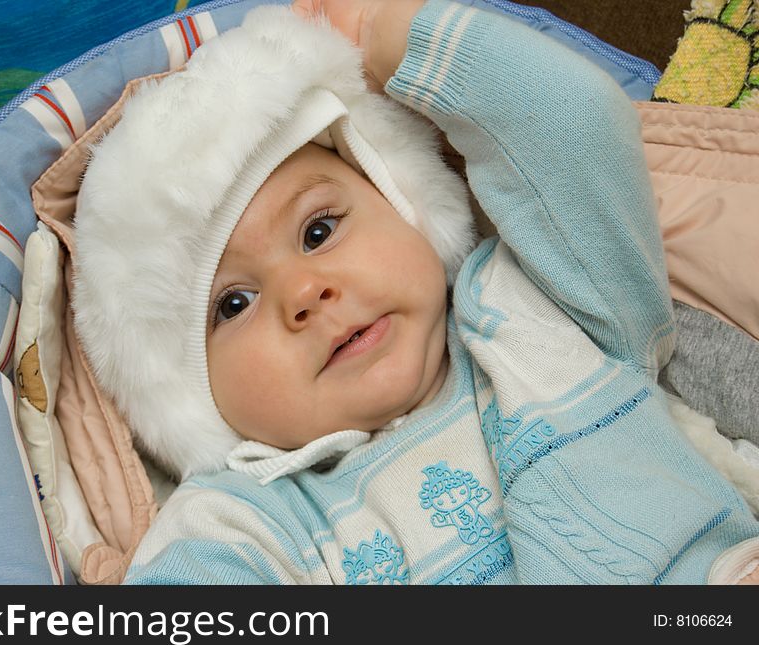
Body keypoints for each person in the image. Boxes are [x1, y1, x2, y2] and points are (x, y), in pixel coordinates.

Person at [71, 0, 759, 584]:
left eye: (317, 230)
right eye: (232, 303)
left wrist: (407, 44)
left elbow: (573, 129)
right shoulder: (243, 520)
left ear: (410, 205)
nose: (305, 292)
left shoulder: (536, 307)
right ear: (189, 395)